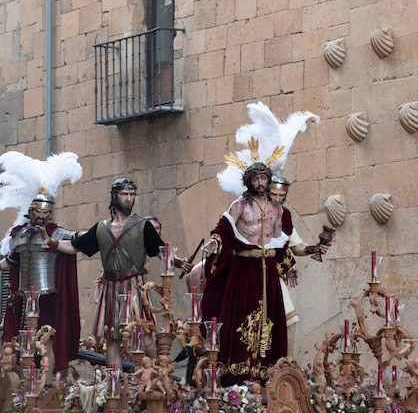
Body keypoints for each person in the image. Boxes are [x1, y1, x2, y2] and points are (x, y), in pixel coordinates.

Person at [39, 178, 191, 369]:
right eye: (124, 194)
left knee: (145, 337)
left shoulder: (144, 226)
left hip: (135, 286)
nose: (129, 199)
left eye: (132, 195)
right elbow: (74, 246)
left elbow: (161, 250)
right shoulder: (101, 228)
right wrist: (50, 242)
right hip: (110, 287)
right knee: (112, 339)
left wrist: (178, 262)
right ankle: (114, 388)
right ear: (114, 196)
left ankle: (156, 375)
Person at [201, 162, 288, 386]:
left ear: (269, 180)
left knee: (271, 319)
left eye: (264, 178)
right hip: (244, 267)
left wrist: (289, 265)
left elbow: (279, 239)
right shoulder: (239, 205)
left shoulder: (277, 209)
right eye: (255, 179)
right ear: (248, 181)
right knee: (243, 316)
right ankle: (240, 373)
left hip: (267, 268)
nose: (260, 183)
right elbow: (222, 229)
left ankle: (266, 373)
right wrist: (214, 242)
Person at [0, 190, 80, 375]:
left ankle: (46, 383)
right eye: (39, 212)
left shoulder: (55, 232)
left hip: (47, 296)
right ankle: (24, 383)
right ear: (31, 210)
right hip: (23, 296)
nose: (42, 216)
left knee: (46, 340)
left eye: (45, 212)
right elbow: (12, 261)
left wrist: (98, 232)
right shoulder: (19, 235)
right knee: (22, 340)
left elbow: (77, 238)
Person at [268, 175, 331, 358]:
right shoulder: (254, 214)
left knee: (289, 320)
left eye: (282, 195)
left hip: (273, 273)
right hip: (252, 273)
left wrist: (315, 248)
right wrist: (287, 263)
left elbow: (296, 246)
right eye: (274, 194)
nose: (278, 199)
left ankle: (287, 367)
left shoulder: (284, 216)